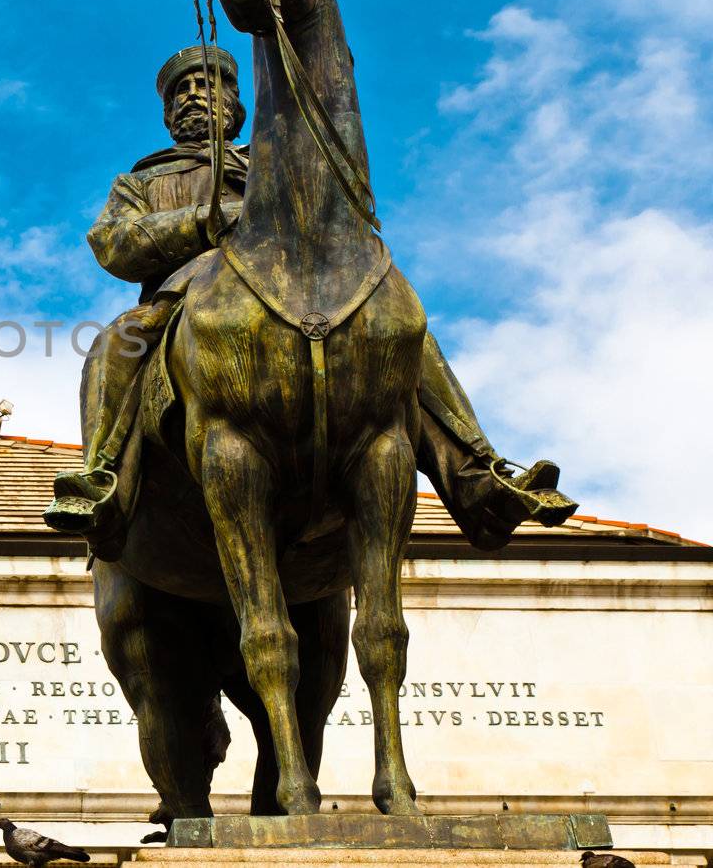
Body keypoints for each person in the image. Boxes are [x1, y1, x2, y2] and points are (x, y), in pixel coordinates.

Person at [44, 46, 575, 559]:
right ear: (165, 114)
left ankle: (476, 477)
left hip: (296, 295)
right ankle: (104, 480)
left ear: (236, 103)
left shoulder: (277, 162)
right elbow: (113, 243)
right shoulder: (143, 180)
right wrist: (205, 221)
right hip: (183, 296)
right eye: (180, 91)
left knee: (403, 332)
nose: (192, 95)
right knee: (117, 341)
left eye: (207, 84)